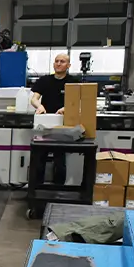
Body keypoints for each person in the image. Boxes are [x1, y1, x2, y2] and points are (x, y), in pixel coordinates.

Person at [30, 53, 79, 185]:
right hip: (45, 125)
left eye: (62, 61)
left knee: (59, 160)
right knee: (39, 159)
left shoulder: (74, 82)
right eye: (56, 61)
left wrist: (66, 108)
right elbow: (34, 98)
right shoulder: (45, 80)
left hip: (63, 125)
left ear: (68, 65)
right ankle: (37, 189)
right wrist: (39, 106)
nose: (58, 63)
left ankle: (58, 191)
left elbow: (79, 101)